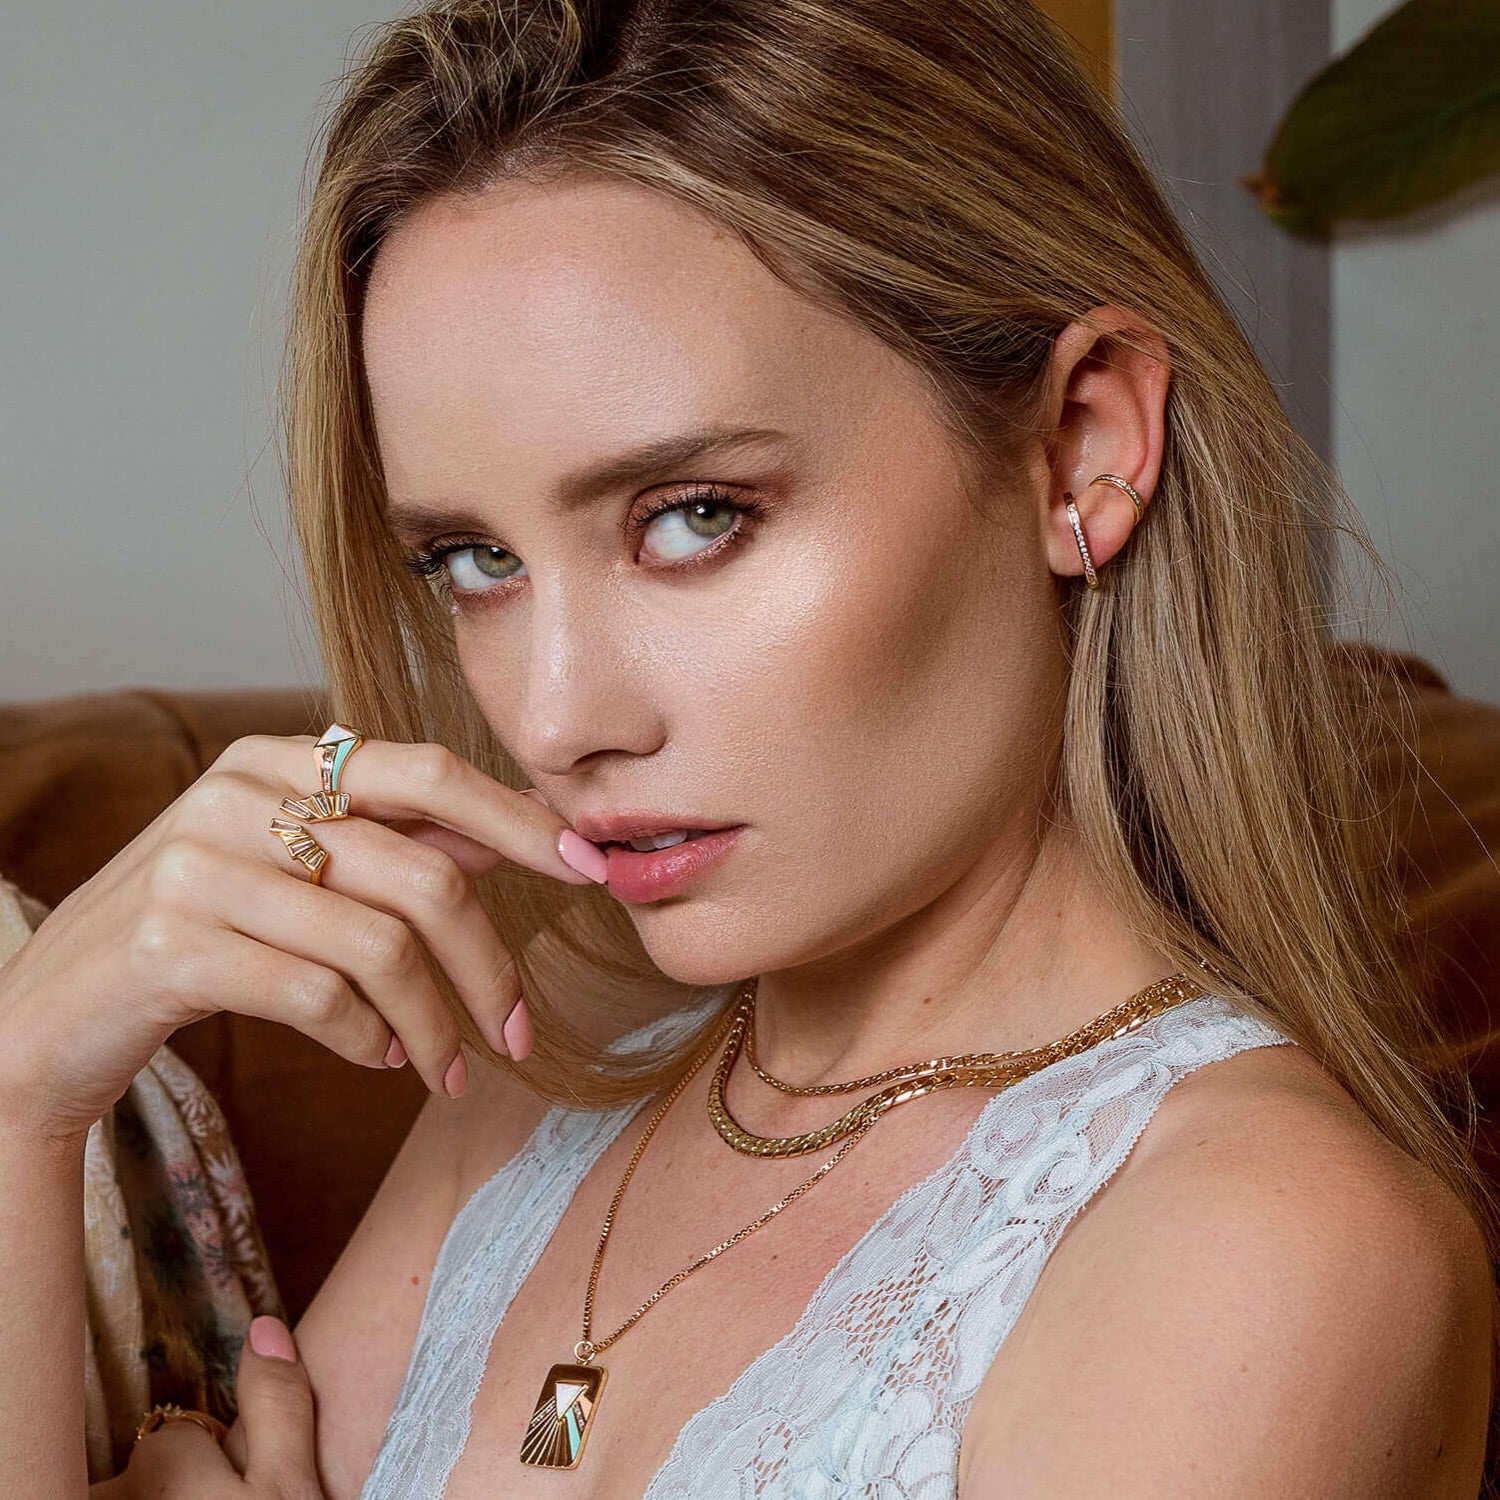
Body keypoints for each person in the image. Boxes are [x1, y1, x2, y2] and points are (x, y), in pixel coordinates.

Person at [1, 0, 1494, 1494]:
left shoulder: (1263, 1252)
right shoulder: (559, 1047)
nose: (557, 720)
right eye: (474, 560)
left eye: (696, 517)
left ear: (1083, 447)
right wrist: (22, 1098)